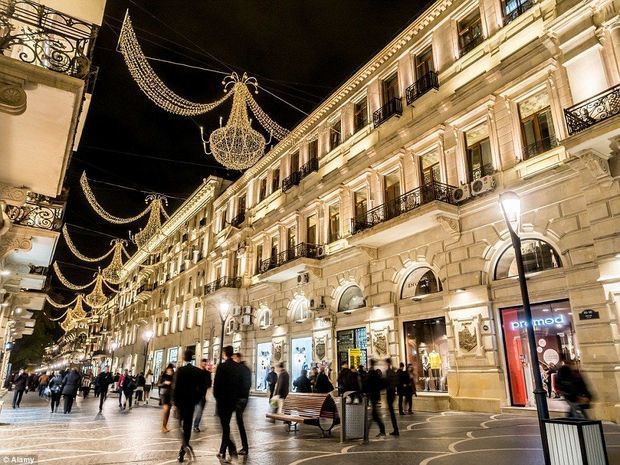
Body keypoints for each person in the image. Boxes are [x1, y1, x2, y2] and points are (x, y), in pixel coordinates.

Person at [173, 350, 206, 463]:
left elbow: (176, 388)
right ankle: (183, 450)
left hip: (181, 404)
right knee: (187, 427)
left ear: (183, 357)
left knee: (179, 427)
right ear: (192, 358)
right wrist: (196, 400)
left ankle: (185, 447)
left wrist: (175, 404)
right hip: (190, 404)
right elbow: (202, 389)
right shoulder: (197, 371)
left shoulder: (180, 370)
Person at [214, 346, 242, 462]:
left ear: (225, 353)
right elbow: (240, 385)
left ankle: (231, 449)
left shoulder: (222, 367)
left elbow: (216, 385)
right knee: (226, 426)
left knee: (224, 427)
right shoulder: (237, 367)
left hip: (222, 402)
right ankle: (222, 450)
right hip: (232, 402)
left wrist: (217, 398)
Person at [233, 352, 251, 455]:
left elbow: (244, 385)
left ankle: (245, 447)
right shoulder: (244, 369)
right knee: (237, 422)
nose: (233, 360)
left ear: (238, 358)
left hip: (240, 399)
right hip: (241, 398)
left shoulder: (241, 369)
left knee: (239, 422)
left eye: (235, 358)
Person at [365, 360, 386, 437]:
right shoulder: (375, 373)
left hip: (373, 395)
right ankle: (368, 431)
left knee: (374, 415)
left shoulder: (371, 373)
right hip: (375, 395)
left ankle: (366, 431)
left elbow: (367, 384)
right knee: (374, 415)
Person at [192, 359, 212, 433]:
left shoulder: (208, 373)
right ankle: (194, 425)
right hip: (194, 395)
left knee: (199, 411)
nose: (204, 365)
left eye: (205, 363)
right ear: (200, 363)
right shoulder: (196, 371)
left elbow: (209, 384)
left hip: (202, 395)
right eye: (203, 363)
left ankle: (195, 426)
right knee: (195, 411)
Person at [384, 358, 399, 435]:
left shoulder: (388, 372)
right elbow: (396, 382)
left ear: (387, 364)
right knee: (391, 412)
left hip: (390, 393)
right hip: (393, 392)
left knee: (391, 412)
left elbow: (385, 383)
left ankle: (395, 430)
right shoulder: (393, 372)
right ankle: (395, 429)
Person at [159, 364, 175, 432]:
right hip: (164, 394)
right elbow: (159, 384)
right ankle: (163, 426)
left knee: (168, 411)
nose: (170, 371)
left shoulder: (174, 377)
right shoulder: (163, 376)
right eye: (169, 370)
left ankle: (165, 426)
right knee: (166, 409)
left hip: (170, 394)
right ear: (166, 370)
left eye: (171, 370)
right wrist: (165, 383)